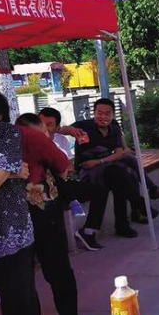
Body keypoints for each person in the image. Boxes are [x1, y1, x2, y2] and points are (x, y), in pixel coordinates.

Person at [15, 113, 81, 315]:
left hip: (12, 216)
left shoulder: (7, 136)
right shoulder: (30, 136)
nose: (46, 134)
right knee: (57, 267)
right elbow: (62, 165)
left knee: (22, 274)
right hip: (43, 210)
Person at [61, 98, 150, 238]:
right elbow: (60, 129)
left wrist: (99, 161)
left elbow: (118, 153)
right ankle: (136, 207)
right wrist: (71, 130)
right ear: (94, 113)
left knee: (121, 176)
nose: (103, 117)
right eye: (99, 113)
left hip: (105, 168)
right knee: (119, 174)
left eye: (107, 113)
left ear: (113, 115)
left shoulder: (113, 128)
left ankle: (125, 221)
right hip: (87, 171)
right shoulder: (84, 125)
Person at [0, 94, 41, 315]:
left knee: (19, 299)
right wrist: (11, 172)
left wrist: (6, 174)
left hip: (10, 232)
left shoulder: (7, 133)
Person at [39, 107, 112, 251]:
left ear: (57, 127)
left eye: (49, 124)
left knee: (100, 190)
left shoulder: (61, 141)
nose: (44, 128)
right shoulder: (30, 141)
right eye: (41, 123)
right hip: (42, 187)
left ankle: (88, 231)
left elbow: (69, 167)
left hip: (63, 183)